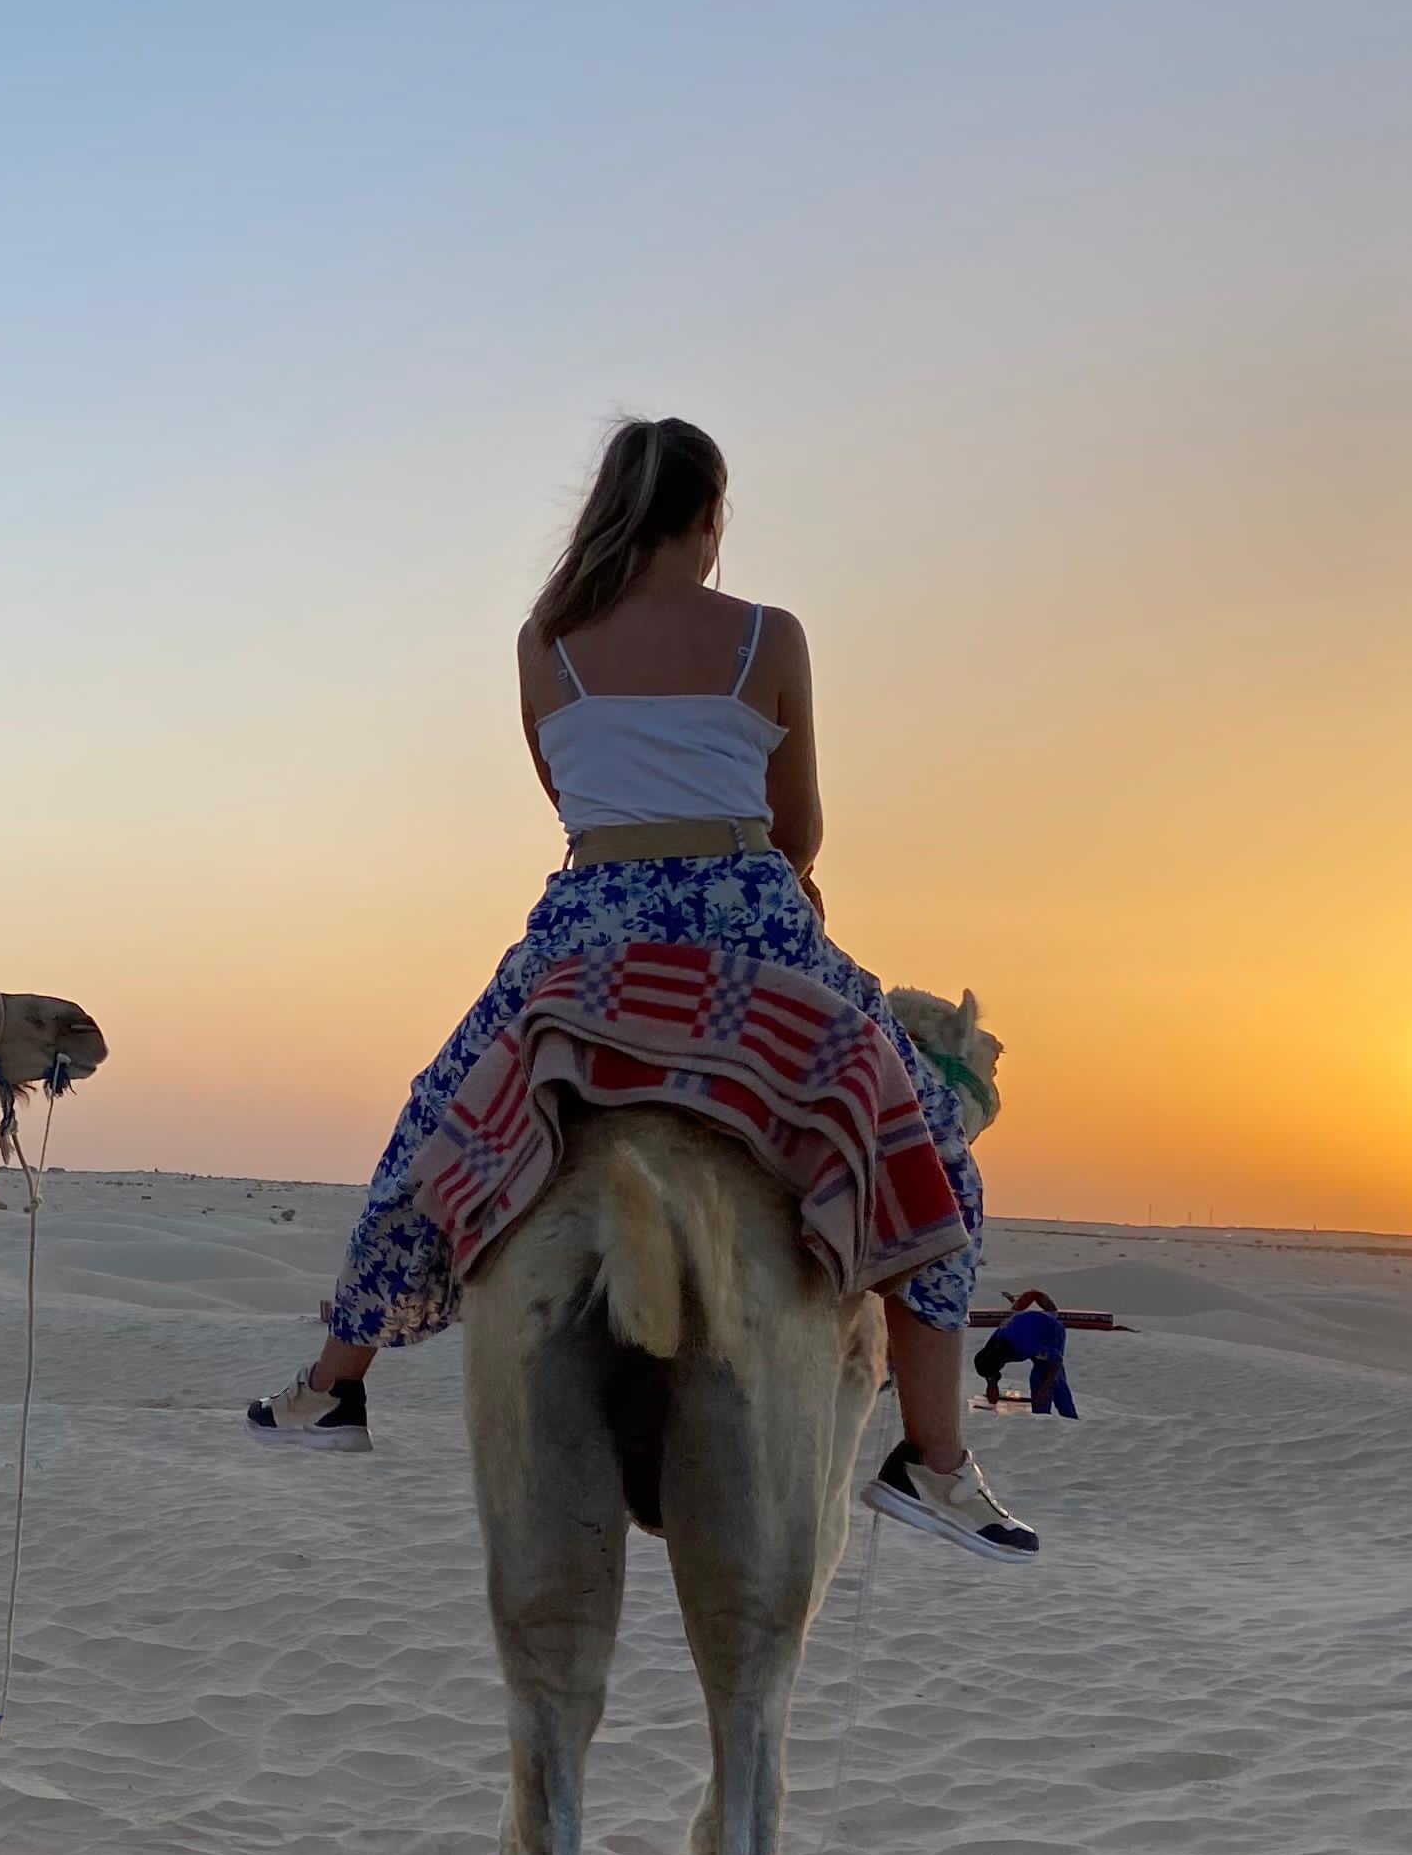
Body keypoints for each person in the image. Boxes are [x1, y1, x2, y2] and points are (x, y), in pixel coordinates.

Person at [242, 416, 1037, 1564]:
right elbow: (800, 825)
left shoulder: (544, 645)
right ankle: (935, 1463)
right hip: (750, 930)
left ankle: (334, 1385)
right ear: (711, 518)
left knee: (436, 1124)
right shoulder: (769, 635)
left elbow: (570, 804)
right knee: (933, 1159)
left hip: (591, 932)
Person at [975, 1289, 1079, 1417]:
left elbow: (1056, 1361)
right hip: (1026, 1326)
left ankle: (1067, 1415)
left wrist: (1045, 1388)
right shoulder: (993, 1346)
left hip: (1050, 1331)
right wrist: (992, 1384)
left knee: (1047, 1376)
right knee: (1040, 1382)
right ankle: (1041, 1414)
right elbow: (990, 1374)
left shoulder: (1026, 1346)